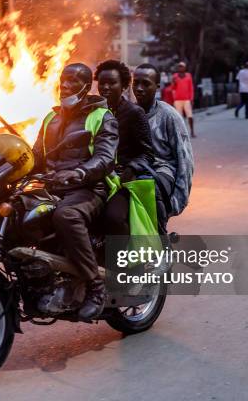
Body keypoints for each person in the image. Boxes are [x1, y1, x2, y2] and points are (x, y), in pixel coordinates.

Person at [32, 63, 118, 320]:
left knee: (66, 216)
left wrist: (80, 172)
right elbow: (35, 156)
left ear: (86, 86)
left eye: (73, 81)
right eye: (63, 80)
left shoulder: (101, 117)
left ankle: (95, 286)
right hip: (53, 186)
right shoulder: (51, 118)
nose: (66, 86)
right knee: (13, 212)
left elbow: (105, 158)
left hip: (91, 187)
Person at [94, 59, 154, 236]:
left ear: (124, 86)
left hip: (122, 181)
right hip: (96, 178)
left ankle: (126, 261)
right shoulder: (93, 112)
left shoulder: (134, 113)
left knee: (114, 218)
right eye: (102, 83)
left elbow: (147, 153)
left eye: (112, 83)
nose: (105, 87)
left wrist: (130, 169)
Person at [133, 64, 194, 234]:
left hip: (161, 171)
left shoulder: (169, 116)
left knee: (150, 191)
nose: (139, 88)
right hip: (133, 170)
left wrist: (178, 199)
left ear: (157, 87)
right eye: (135, 83)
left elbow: (185, 160)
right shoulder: (127, 113)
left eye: (145, 84)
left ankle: (162, 243)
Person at [172, 61, 195, 137]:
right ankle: (181, 133)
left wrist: (191, 98)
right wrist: (174, 83)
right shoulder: (175, 76)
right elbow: (172, 88)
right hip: (177, 100)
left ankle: (192, 131)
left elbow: (191, 88)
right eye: (179, 66)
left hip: (186, 99)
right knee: (179, 118)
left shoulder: (188, 75)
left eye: (182, 66)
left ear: (185, 68)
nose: (181, 68)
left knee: (190, 116)